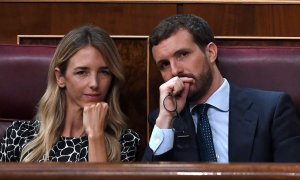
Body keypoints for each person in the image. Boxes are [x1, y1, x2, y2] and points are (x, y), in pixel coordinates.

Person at [143, 14, 300, 162]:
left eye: (183, 54)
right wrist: (166, 118)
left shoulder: (271, 110)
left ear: (211, 53)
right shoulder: (165, 121)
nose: (175, 70)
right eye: (164, 64)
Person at [0, 25, 140, 162]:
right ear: (60, 77)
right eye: (82, 72)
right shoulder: (20, 135)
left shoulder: (125, 141)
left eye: (104, 72)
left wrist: (96, 135)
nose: (94, 83)